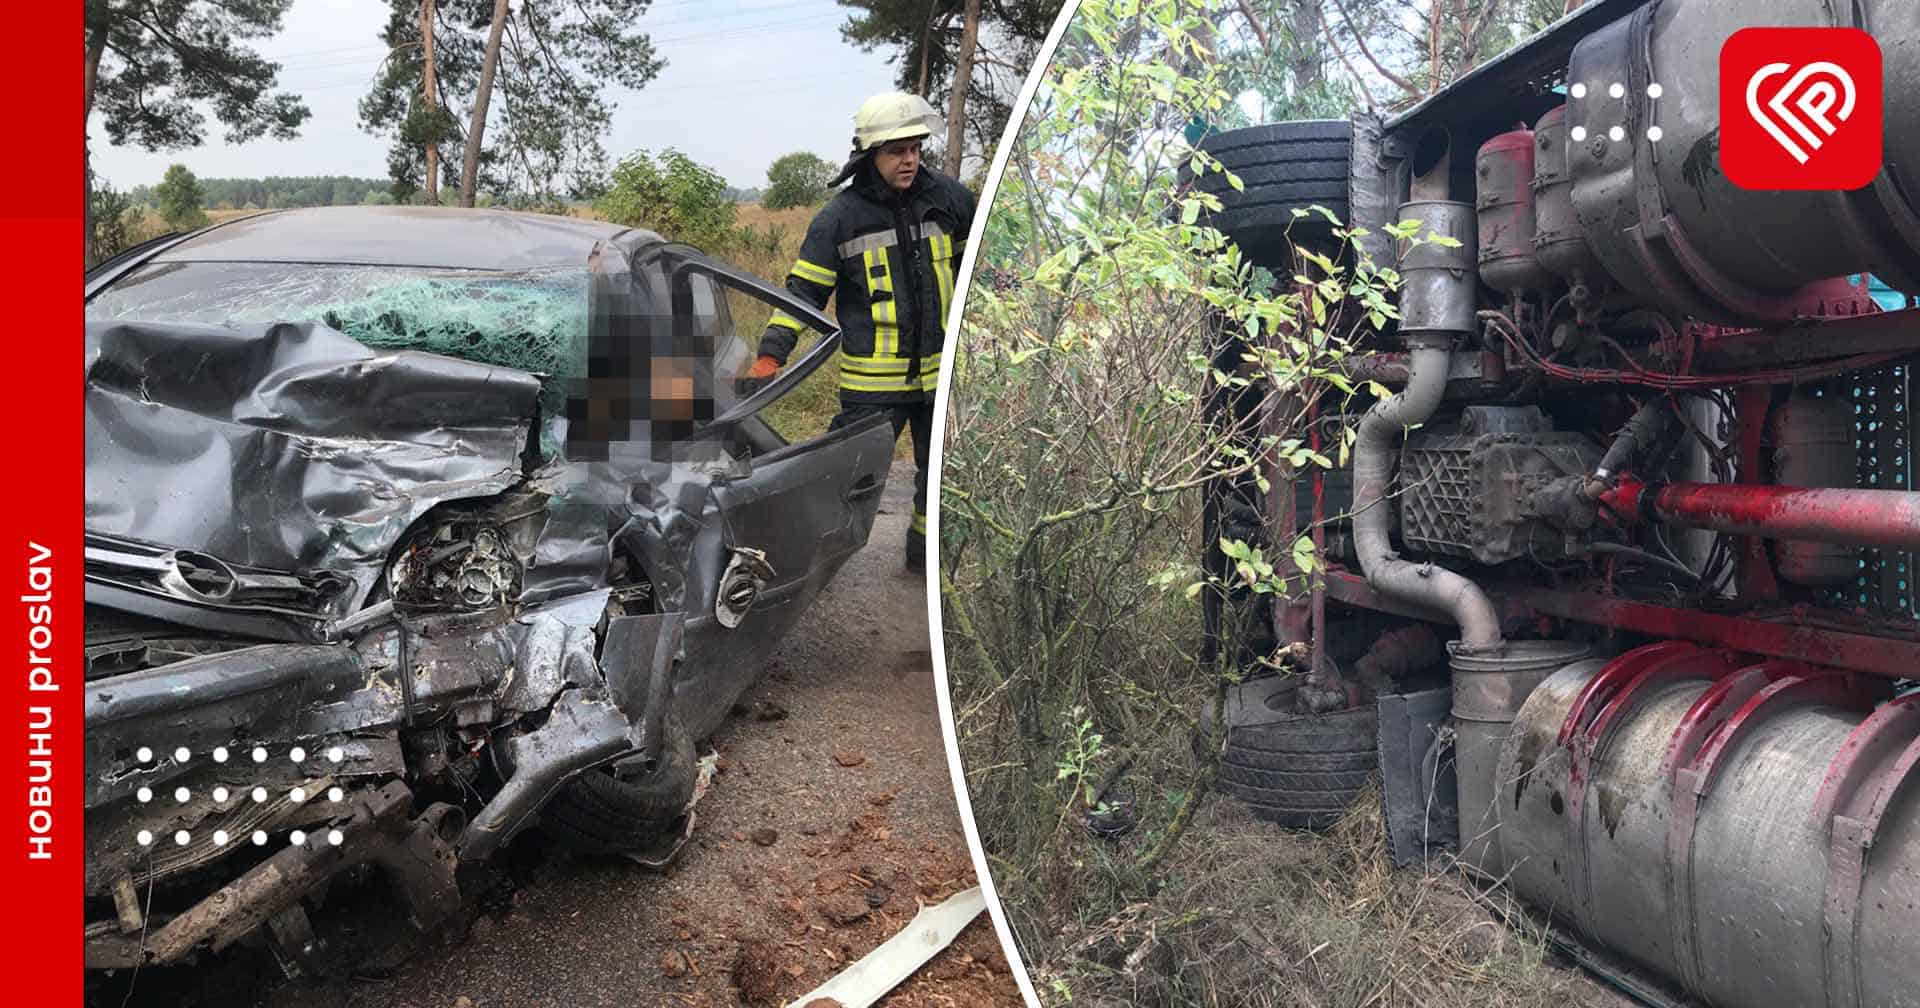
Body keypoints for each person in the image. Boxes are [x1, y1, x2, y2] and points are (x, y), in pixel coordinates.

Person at [744, 92, 976, 572]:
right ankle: (800, 566)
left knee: (941, 480)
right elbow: (802, 295)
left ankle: (924, 562)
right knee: (845, 479)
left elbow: (981, 269)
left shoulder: (950, 200)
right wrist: (771, 355)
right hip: (873, 391)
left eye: (914, 147)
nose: (909, 159)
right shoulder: (839, 219)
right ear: (870, 154)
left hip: (942, 382)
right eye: (896, 151)